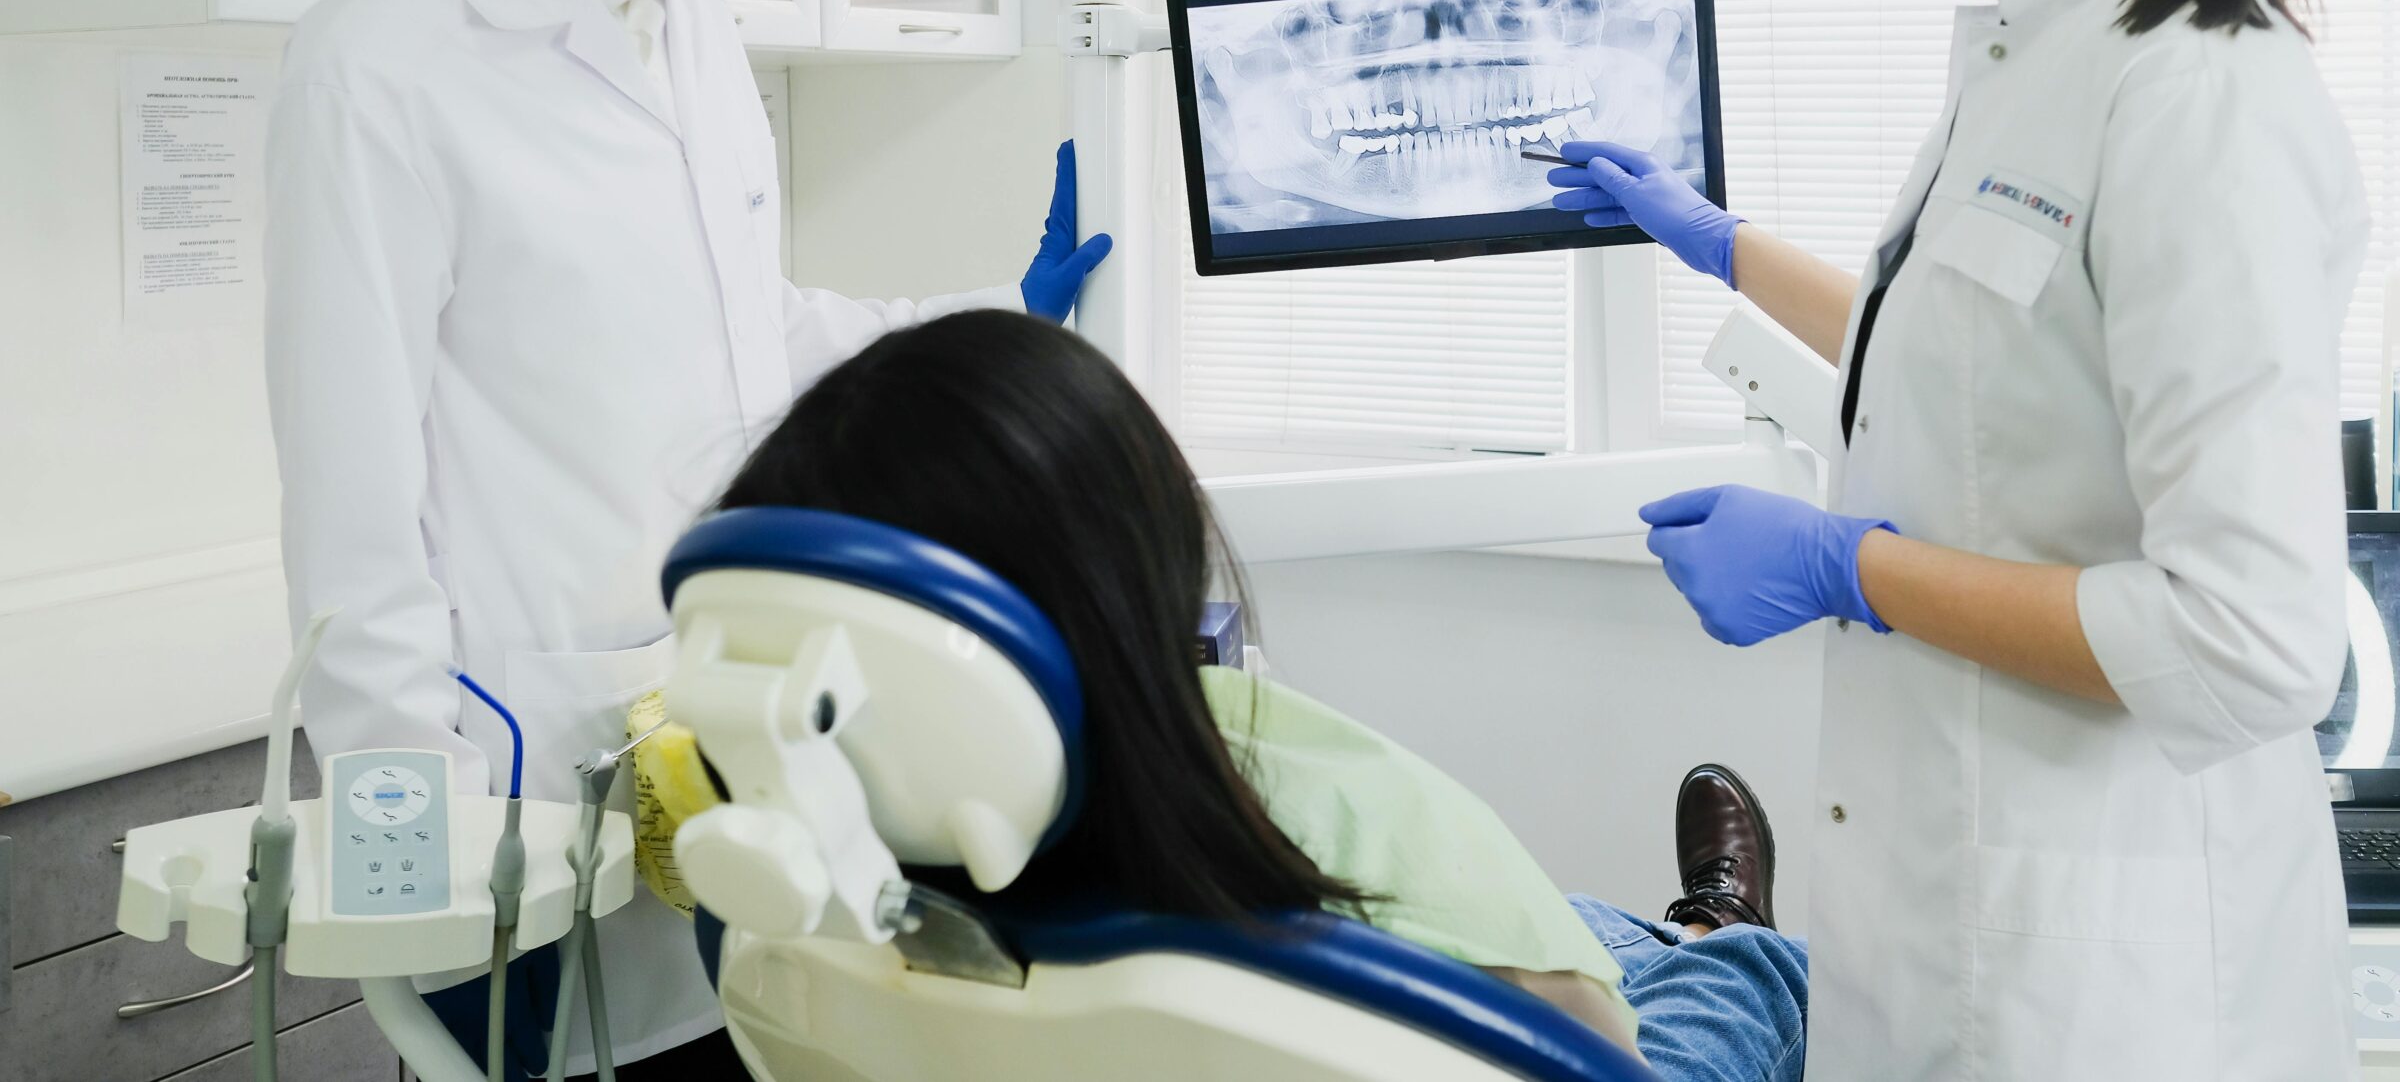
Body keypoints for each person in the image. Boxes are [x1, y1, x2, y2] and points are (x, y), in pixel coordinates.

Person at [263, 0, 1110, 1078]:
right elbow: (350, 492)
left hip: (718, 738)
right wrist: (416, 836)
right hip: (519, 775)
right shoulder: (381, 66)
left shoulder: (688, 17)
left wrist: (997, 318)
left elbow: (739, 329)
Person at [1549, 0, 2365, 1078]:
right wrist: (1715, 241)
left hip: (2107, 985)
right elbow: (1972, 358)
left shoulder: (2199, 93)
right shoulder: (2033, 46)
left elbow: (2255, 636)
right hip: (1956, 917)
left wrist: (1850, 565)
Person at [632, 308, 1814, 1081]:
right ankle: (1721, 929)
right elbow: (1588, 1046)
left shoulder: (787, 922)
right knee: (1734, 980)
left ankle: (1665, 926)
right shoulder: (1330, 812)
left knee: (1583, 918)